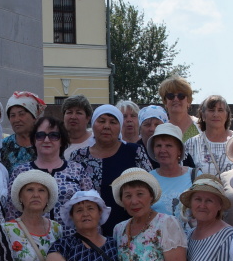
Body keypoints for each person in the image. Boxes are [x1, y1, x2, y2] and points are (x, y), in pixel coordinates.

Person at [73, 104, 153, 236]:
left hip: (130, 229)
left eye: (113, 122)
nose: (106, 126)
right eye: (102, 121)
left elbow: (150, 187)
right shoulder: (78, 156)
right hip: (89, 231)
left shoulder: (134, 151)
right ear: (93, 124)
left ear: (120, 127)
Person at [11, 114, 94, 224]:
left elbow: (92, 207)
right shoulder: (21, 172)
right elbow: (11, 211)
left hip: (72, 238)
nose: (46, 140)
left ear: (61, 141)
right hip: (30, 238)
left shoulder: (78, 170)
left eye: (53, 135)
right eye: (40, 135)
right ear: (34, 140)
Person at [147, 123, 194, 218]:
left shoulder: (194, 176)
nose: (162, 150)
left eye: (169, 146)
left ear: (179, 151)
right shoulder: (148, 179)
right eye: (158, 146)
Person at [184, 95, 233, 178]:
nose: (216, 114)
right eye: (211, 110)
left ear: (227, 115)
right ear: (203, 115)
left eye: (220, 110)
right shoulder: (191, 144)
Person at [0, 91, 45, 171]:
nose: (16, 120)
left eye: (21, 114)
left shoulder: (47, 143)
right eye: (12, 115)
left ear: (34, 116)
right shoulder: (3, 146)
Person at [159, 76, 199, 140]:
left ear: (188, 100)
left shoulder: (201, 126)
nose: (176, 99)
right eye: (170, 96)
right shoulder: (161, 131)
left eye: (181, 96)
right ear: (165, 101)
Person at [60, 95, 95, 160]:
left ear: (87, 118)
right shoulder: (55, 142)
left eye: (78, 113)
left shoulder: (96, 142)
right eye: (69, 112)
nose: (73, 117)